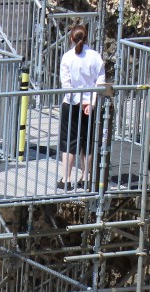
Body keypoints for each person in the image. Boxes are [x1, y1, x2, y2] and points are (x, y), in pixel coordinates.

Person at [58, 24, 105, 189]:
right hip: (89, 104)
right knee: (88, 142)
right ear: (86, 39)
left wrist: (73, 98)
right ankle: (86, 177)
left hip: (71, 103)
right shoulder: (95, 56)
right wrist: (91, 103)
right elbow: (100, 82)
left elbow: (66, 84)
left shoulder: (67, 57)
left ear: (71, 38)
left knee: (68, 142)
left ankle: (66, 179)